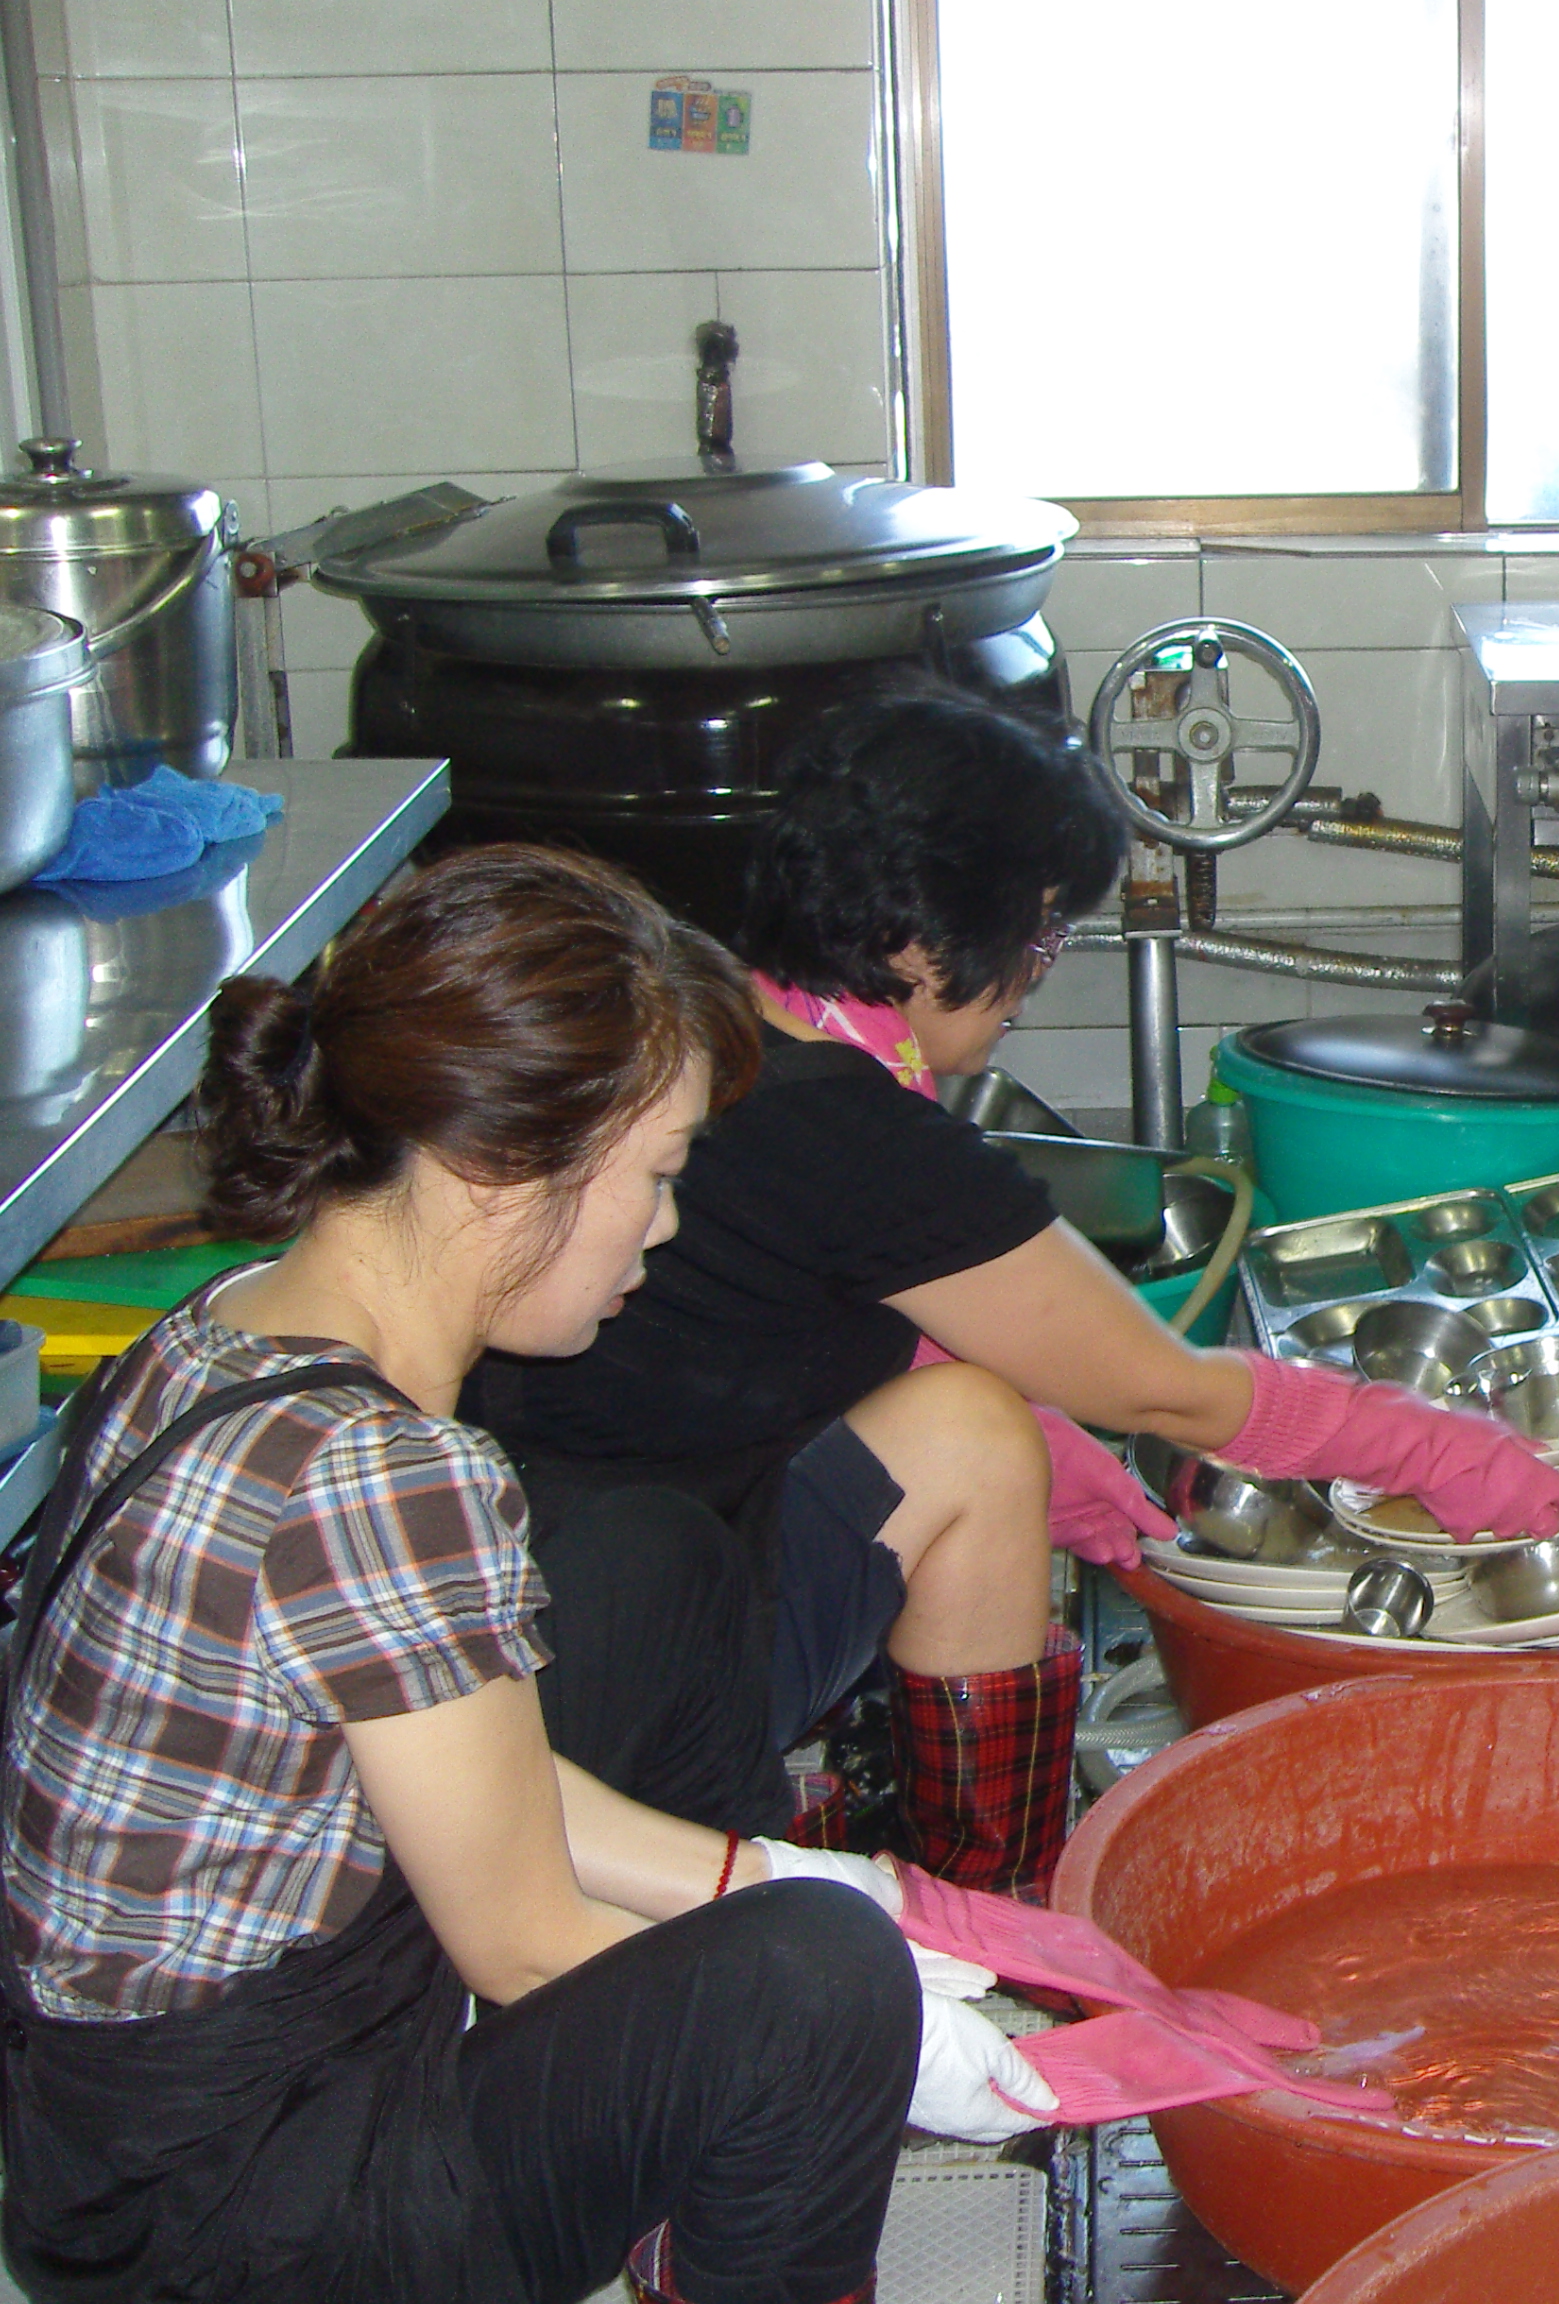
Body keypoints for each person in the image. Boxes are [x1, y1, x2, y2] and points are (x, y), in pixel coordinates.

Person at [0, 850, 957, 2304]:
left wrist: (768, 1874)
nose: (667, 1225)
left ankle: (698, 2148)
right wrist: (897, 2022)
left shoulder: (219, 1331)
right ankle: (742, 2149)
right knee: (818, 1989)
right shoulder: (388, 1476)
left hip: (98, 2150)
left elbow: (465, 1766)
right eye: (658, 1173)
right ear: (501, 1166)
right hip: (240, 2222)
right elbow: (525, 1945)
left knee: (647, 1566)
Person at [462, 689, 1559, 1900]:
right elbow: (1168, 1391)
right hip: (608, 1690)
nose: (1034, 980)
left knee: (978, 1423)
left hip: (534, 1590)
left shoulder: (720, 1018)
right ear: (915, 940)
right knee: (989, 1444)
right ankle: (989, 1912)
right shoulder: (857, 1136)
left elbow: (783, 1310)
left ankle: (960, 1889)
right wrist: (1430, 1446)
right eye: (1038, 937)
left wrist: (1011, 1410)